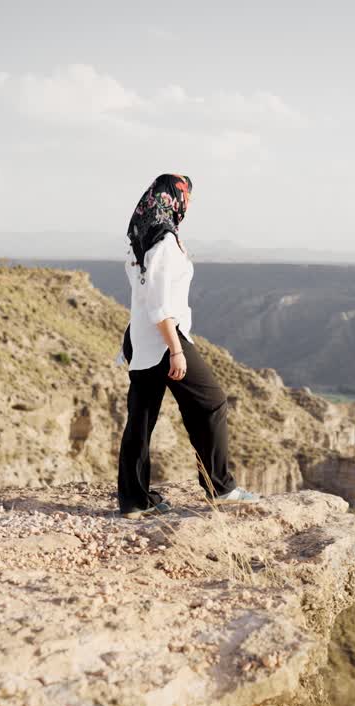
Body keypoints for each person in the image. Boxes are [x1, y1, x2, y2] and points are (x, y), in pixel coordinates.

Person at [113, 173, 260, 519]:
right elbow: (160, 303)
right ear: (173, 198)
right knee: (211, 404)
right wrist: (175, 349)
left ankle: (134, 500)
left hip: (142, 338)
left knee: (141, 419)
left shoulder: (141, 238)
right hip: (165, 339)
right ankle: (220, 487)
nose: (189, 204)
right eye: (187, 197)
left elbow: (144, 296)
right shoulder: (163, 241)